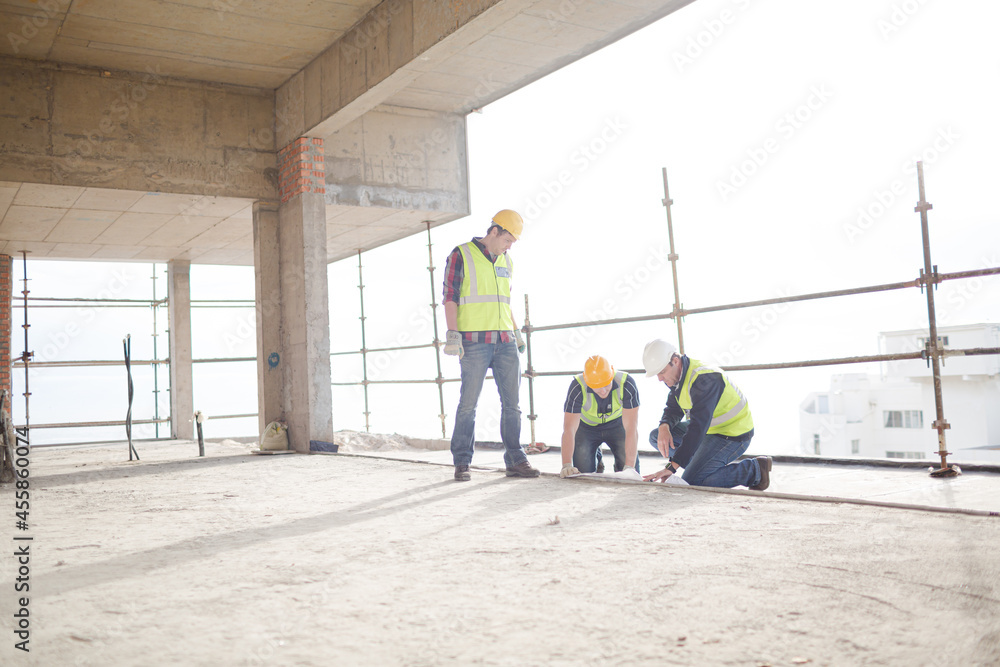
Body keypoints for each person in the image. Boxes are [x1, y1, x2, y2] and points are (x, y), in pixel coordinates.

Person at [442, 210, 539, 482]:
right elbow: (450, 296)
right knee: (468, 405)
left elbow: (504, 300)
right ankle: (462, 462)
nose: (509, 247)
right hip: (474, 342)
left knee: (513, 405)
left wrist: (516, 332)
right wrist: (453, 334)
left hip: (505, 341)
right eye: (508, 240)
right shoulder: (461, 254)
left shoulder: (506, 261)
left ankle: (516, 460)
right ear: (494, 231)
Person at [640, 339, 772, 490]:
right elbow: (674, 406)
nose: (660, 379)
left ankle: (754, 470)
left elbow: (697, 428)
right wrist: (664, 425)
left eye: (662, 372)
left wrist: (672, 467)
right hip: (710, 429)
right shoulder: (678, 376)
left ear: (675, 361)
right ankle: (700, 463)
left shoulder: (706, 379)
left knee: (693, 482)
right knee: (657, 437)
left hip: (731, 434)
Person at [559, 355, 640, 478]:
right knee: (583, 475)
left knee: (629, 471)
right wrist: (566, 464)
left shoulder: (627, 383)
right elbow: (569, 429)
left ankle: (623, 468)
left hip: (617, 425)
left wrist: (629, 467)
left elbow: (631, 428)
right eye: (597, 386)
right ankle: (596, 456)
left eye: (607, 384)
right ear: (587, 381)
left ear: (612, 375)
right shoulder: (577, 387)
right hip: (586, 428)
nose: (603, 391)